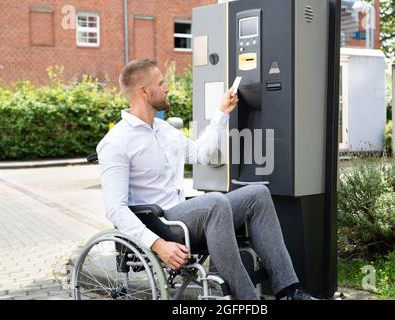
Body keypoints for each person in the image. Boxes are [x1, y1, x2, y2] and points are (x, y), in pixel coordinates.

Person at [97, 59, 312, 300]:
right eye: (161, 82)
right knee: (215, 202)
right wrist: (158, 244)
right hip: (160, 223)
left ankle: (289, 291)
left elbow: (200, 153)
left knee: (257, 195)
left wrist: (222, 114)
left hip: (183, 214)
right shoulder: (116, 142)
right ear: (144, 91)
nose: (167, 87)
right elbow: (115, 209)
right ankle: (247, 300)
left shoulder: (164, 130)